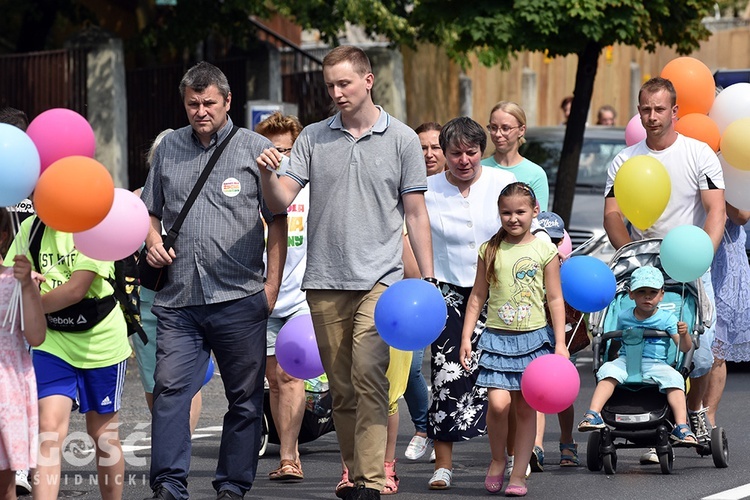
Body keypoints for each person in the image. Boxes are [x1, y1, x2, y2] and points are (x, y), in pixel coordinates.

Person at [256, 45, 435, 500]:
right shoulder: (314, 137)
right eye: (330, 85)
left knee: (370, 375)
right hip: (323, 282)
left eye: (344, 84)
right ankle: (355, 476)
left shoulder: (402, 139)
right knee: (341, 389)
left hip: (381, 280)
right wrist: (265, 177)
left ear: (368, 80)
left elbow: (415, 214)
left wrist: (429, 282)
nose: (336, 92)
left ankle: (372, 482)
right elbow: (280, 202)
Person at [140, 61, 287, 500]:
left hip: (240, 296)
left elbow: (278, 219)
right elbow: (149, 209)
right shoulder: (168, 149)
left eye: (208, 103)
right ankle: (168, 484)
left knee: (244, 400)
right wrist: (151, 241)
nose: (200, 111)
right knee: (170, 392)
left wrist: (272, 287)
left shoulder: (255, 148)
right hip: (179, 298)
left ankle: (232, 486)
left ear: (226, 102)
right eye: (192, 104)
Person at [603, 76, 725, 463]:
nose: (652, 117)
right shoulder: (625, 161)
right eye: (645, 109)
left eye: (659, 109)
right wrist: (632, 255)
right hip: (644, 265)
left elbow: (716, 211)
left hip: (690, 263)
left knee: (699, 355)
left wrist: (702, 254)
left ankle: (693, 414)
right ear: (638, 111)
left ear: (674, 111)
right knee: (642, 343)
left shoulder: (699, 154)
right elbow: (612, 215)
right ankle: (656, 422)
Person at [414, 117, 520, 491]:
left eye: (471, 153)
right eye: (455, 153)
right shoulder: (426, 189)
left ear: (482, 152)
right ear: (443, 154)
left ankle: (506, 457)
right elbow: (412, 236)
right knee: (446, 377)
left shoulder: (500, 185)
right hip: (446, 291)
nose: (463, 160)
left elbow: (521, 227)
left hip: (498, 290)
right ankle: (443, 463)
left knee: (501, 379)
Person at [7, 216, 132, 500]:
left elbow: (76, 289)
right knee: (48, 431)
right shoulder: (31, 228)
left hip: (100, 343)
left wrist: (30, 301)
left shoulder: (94, 226)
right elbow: (7, 276)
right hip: (53, 341)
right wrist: (22, 282)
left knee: (103, 436)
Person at [459, 181, 567, 497]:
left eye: (520, 211)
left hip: (534, 340)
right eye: (506, 212)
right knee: (497, 404)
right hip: (496, 339)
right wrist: (467, 336)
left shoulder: (545, 250)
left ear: (534, 211)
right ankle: (497, 460)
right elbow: (477, 296)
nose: (513, 218)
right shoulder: (490, 249)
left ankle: (518, 473)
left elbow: (555, 299)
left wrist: (560, 343)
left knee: (525, 410)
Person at [132, 129, 204, 436]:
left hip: (189, 299)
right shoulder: (134, 201)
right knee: (153, 379)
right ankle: (167, 436)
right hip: (147, 303)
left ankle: (178, 445)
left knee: (187, 379)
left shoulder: (201, 199)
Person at [577, 266, 698, 445]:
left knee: (675, 379)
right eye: (641, 292)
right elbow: (617, 340)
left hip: (656, 363)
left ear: (661, 295)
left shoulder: (668, 319)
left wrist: (684, 334)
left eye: (652, 292)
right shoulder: (624, 316)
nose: (647, 297)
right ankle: (593, 414)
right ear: (631, 295)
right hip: (627, 360)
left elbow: (685, 348)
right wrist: (611, 356)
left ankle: (681, 426)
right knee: (608, 371)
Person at [254, 112, 309, 482]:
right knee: (274, 378)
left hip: (302, 294)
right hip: (259, 293)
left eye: (289, 149)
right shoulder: (251, 185)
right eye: (275, 150)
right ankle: (285, 449)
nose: (282, 157)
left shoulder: (309, 186)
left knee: (291, 374)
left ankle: (290, 456)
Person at [402, 121, 445, 462]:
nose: (429, 154)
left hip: (451, 290)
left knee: (449, 367)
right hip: (409, 293)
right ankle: (423, 427)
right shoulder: (404, 187)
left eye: (435, 147)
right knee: (411, 368)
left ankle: (446, 431)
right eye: (422, 148)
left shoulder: (450, 191)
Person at [0, 210, 46, 500]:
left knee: (5, 487)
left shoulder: (16, 282)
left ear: (3, 236)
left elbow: (36, 336)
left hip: (6, 390)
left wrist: (28, 286)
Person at [529, 211, 578, 471]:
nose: (552, 245)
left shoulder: (567, 267)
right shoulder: (528, 261)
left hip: (562, 336)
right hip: (534, 333)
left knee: (562, 393)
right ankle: (536, 446)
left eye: (556, 240)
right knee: (536, 391)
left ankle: (567, 440)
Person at [704, 204, 750, 426]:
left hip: (724, 264)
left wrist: (717, 194)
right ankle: (675, 419)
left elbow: (742, 215)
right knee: (679, 345)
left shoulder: (734, 172)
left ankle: (707, 418)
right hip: (686, 253)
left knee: (716, 350)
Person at [482, 101, 550, 211]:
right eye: (493, 127)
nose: (498, 134)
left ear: (521, 130)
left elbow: (539, 220)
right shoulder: (479, 168)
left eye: (505, 128)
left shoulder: (536, 174)